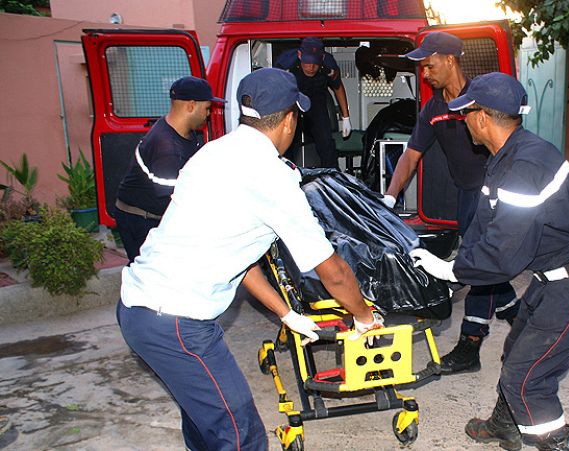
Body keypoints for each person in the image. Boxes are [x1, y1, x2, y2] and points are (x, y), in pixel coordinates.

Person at [116, 68, 383, 451]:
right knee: (240, 436)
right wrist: (363, 317)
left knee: (203, 423)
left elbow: (239, 258)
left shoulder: (211, 153)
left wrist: (286, 314)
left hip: (138, 311)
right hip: (177, 322)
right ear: (290, 120)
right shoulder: (272, 177)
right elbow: (333, 271)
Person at [410, 73, 569, 451]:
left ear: (482, 118)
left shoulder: (526, 166)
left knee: (526, 381)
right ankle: (505, 426)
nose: (461, 122)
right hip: (555, 274)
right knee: (517, 347)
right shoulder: (504, 156)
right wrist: (452, 271)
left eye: (465, 114)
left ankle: (557, 444)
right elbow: (483, 226)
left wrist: (449, 270)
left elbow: (504, 255)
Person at [383, 31, 519, 375]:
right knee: (489, 274)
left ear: (450, 59)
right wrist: (389, 196)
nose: (424, 73)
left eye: (429, 66)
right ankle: (524, 327)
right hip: (466, 197)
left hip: (493, 195)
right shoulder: (433, 110)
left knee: (477, 268)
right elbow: (410, 157)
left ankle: (469, 346)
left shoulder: (484, 98)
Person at [115, 76, 224, 263]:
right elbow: (174, 200)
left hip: (155, 214)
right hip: (141, 220)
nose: (208, 114)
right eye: (207, 108)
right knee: (152, 279)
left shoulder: (186, 133)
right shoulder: (167, 148)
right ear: (191, 106)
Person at [275, 37, 351, 168]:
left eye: (315, 63)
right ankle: (287, 176)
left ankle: (332, 177)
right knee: (288, 142)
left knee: (326, 142)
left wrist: (346, 117)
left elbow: (337, 86)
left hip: (317, 99)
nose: (311, 67)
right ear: (300, 55)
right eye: (307, 62)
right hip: (292, 101)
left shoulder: (329, 64)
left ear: (321, 58)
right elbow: (274, 88)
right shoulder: (285, 62)